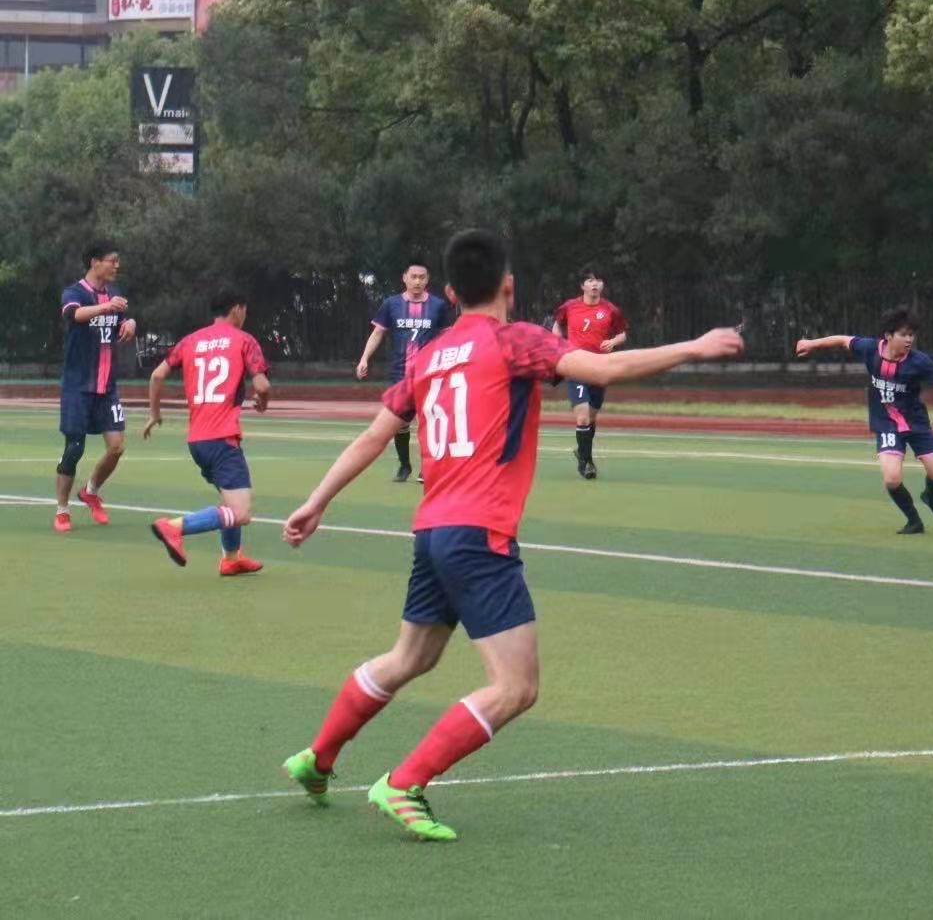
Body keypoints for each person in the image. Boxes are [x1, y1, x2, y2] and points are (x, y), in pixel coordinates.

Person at [280, 229, 743, 841]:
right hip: (479, 534)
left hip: (432, 532)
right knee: (517, 687)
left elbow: (373, 436)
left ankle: (317, 759)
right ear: (509, 285)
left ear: (448, 293)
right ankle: (403, 782)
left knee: (410, 658)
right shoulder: (515, 339)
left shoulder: (428, 356)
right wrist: (696, 346)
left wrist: (316, 502)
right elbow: (604, 367)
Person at [795, 307, 933, 534]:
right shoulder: (870, 349)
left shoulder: (919, 361)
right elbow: (842, 340)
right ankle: (914, 521)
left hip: (916, 423)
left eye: (911, 335)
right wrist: (811, 344)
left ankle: (930, 495)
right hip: (886, 423)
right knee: (891, 479)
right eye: (903, 334)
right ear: (888, 335)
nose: (909, 339)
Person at [142, 290, 271, 576]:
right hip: (223, 439)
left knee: (229, 500)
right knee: (240, 513)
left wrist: (155, 414)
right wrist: (263, 401)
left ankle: (231, 558)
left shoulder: (190, 341)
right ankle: (174, 527)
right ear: (237, 309)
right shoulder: (244, 340)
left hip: (198, 440)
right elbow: (262, 386)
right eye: (245, 310)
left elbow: (157, 375)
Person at [54, 241, 136, 533]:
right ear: (94, 262)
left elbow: (120, 320)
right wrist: (106, 307)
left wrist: (130, 323)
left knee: (116, 447)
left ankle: (90, 491)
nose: (117, 266)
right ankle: (62, 510)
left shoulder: (114, 294)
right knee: (74, 449)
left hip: (107, 388)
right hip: (78, 386)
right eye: (112, 260)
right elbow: (73, 315)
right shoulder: (74, 292)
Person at [356, 260, 455, 482]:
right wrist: (364, 358)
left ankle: (427, 468)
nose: (417, 281)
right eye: (413, 277)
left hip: (430, 374)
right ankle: (404, 465)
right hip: (400, 374)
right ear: (404, 278)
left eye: (422, 277)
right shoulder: (391, 304)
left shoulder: (438, 306)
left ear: (427, 280)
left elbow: (448, 336)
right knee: (400, 423)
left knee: (429, 420)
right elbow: (378, 333)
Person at [552, 269, 628, 479]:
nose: (594, 284)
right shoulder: (569, 306)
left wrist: (612, 342)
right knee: (583, 417)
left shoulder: (611, 310)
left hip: (599, 368)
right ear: (582, 286)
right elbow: (557, 325)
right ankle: (587, 463)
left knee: (592, 416)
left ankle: (582, 451)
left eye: (598, 280)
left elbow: (622, 333)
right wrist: (559, 345)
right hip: (576, 365)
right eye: (590, 280)